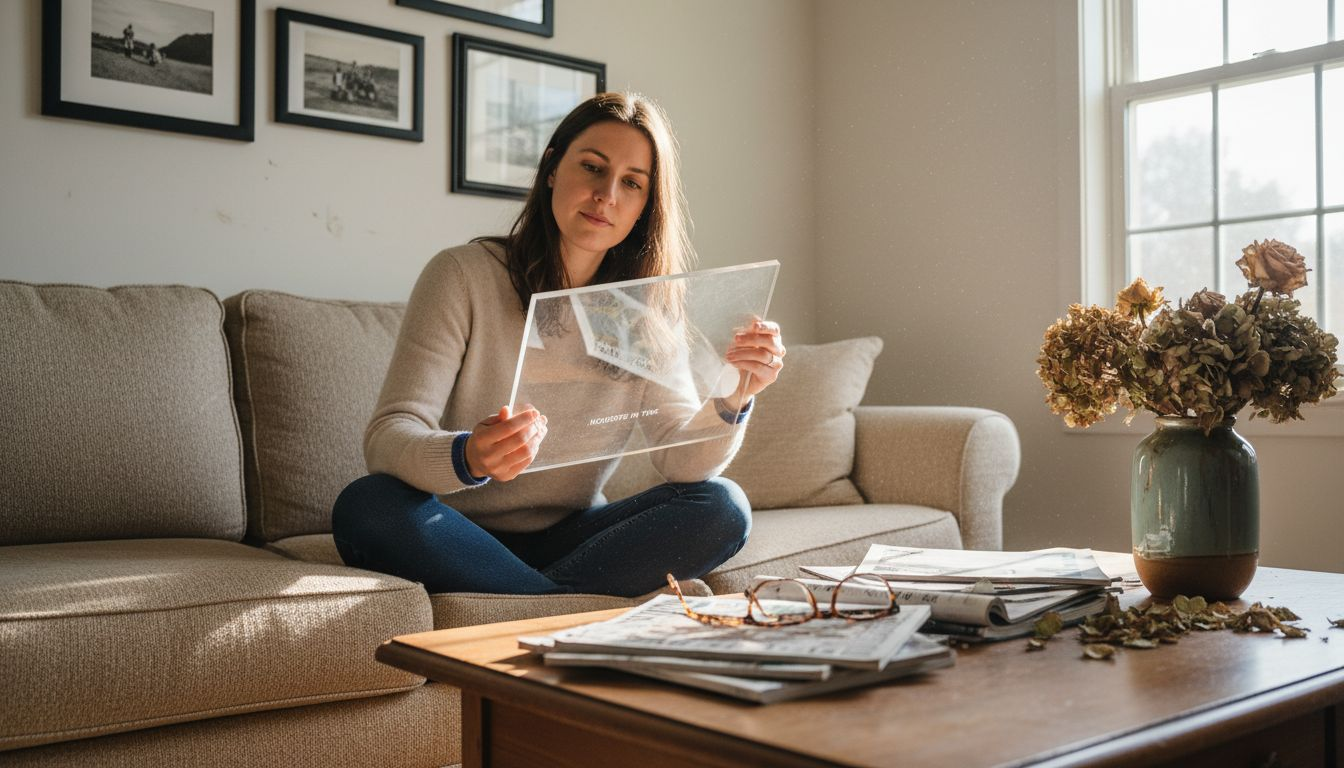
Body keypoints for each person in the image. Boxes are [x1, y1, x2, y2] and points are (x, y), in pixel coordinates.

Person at [331, 92, 786, 597]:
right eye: (592, 167)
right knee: (367, 505)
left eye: (631, 184)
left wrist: (734, 394)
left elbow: (681, 462)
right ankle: (561, 608)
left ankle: (526, 603)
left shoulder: (641, 313)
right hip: (453, 532)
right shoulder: (463, 275)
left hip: (573, 538)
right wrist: (469, 456)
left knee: (722, 505)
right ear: (552, 168)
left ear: (644, 207)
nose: (606, 194)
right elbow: (391, 434)